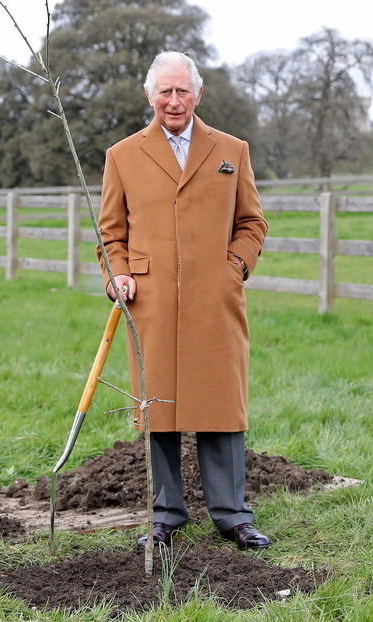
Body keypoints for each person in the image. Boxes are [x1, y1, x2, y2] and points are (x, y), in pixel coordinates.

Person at [97, 51, 271, 551]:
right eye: (164, 92)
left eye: (183, 91)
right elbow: (110, 234)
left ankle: (233, 515)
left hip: (215, 300)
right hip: (150, 302)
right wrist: (121, 275)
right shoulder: (123, 155)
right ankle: (165, 513)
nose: (174, 101)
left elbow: (252, 223)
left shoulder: (230, 151)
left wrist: (233, 266)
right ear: (150, 96)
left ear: (198, 94)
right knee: (160, 407)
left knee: (220, 404)